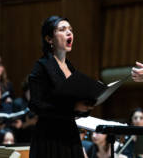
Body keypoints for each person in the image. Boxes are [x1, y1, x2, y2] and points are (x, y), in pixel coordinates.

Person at [28, 16, 105, 158]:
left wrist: (88, 104)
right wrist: (73, 107)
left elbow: (75, 107)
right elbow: (36, 105)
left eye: (70, 29)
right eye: (62, 29)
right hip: (50, 138)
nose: (69, 33)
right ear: (49, 39)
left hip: (70, 134)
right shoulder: (41, 66)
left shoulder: (70, 67)